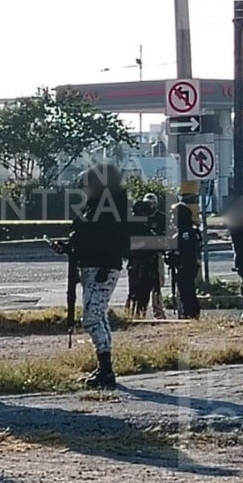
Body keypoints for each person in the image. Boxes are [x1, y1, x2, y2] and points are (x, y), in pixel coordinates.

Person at [59, 163, 131, 390]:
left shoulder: (111, 209)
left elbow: (114, 239)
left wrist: (104, 265)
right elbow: (84, 236)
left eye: (88, 186)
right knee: (99, 317)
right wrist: (68, 246)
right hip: (91, 267)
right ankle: (104, 369)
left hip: (103, 268)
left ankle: (106, 369)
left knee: (91, 318)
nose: (85, 190)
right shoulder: (95, 207)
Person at [166, 203, 201, 319]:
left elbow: (177, 255)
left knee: (185, 293)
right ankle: (193, 313)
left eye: (173, 215)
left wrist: (170, 257)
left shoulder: (180, 235)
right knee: (190, 291)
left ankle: (187, 315)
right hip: (192, 266)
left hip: (183, 268)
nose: (171, 218)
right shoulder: (193, 232)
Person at [142, 193, 168, 319]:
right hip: (142, 256)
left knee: (157, 284)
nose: (149, 206)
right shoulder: (140, 218)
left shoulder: (162, 218)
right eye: (147, 204)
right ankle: (139, 312)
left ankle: (158, 312)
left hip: (157, 254)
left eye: (151, 204)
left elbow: (167, 237)